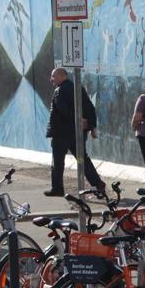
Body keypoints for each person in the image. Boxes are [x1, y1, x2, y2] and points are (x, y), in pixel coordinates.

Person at [45, 67, 106, 196]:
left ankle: (57, 188)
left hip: (62, 133)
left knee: (58, 161)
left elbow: (62, 110)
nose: (51, 80)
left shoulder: (59, 91)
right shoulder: (78, 88)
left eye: (53, 77)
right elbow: (89, 107)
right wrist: (91, 126)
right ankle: (98, 184)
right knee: (82, 159)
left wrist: (77, 121)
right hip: (77, 133)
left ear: (62, 76)